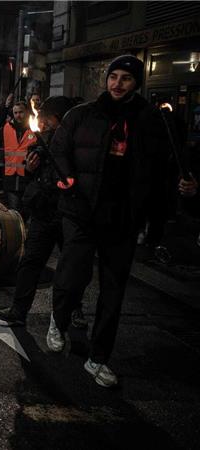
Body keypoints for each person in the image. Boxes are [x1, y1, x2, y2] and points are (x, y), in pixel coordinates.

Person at [46, 55, 197, 387]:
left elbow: (165, 168)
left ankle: (98, 358)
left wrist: (182, 190)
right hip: (82, 211)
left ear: (136, 83)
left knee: (113, 293)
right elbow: (59, 149)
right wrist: (68, 180)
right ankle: (58, 318)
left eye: (125, 78)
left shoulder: (152, 120)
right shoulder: (82, 114)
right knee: (72, 275)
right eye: (113, 76)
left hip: (123, 218)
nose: (117, 83)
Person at [0, 96, 83, 327]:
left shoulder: (78, 141)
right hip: (44, 210)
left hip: (69, 212)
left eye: (47, 118)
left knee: (72, 265)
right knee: (30, 261)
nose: (43, 122)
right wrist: (31, 168)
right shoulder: (43, 140)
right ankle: (18, 311)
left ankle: (75, 310)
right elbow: (35, 172)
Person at [0, 101, 37, 213]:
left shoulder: (34, 128)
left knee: (28, 210)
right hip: (11, 177)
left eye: (21, 112)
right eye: (15, 112)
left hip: (28, 176)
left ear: (27, 112)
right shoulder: (6, 128)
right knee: (14, 212)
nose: (18, 115)